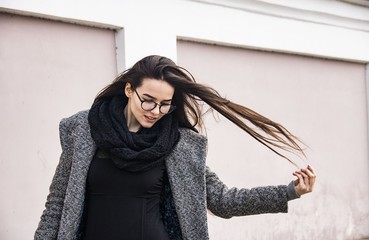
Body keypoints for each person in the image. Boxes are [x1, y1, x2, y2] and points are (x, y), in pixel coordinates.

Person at [34, 55, 316, 240]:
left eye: (165, 104)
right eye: (148, 99)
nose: (156, 110)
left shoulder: (178, 145)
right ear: (129, 89)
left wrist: (290, 192)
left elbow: (222, 200)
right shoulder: (84, 130)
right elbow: (57, 202)